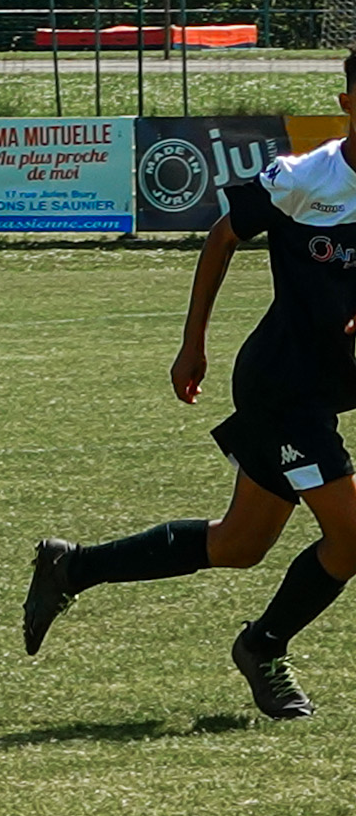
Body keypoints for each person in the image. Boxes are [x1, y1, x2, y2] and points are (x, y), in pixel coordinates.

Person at [24, 50, 356, 721]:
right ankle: (263, 646)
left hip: (319, 393)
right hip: (282, 390)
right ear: (348, 102)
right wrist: (192, 342)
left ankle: (71, 567)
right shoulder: (305, 177)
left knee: (239, 545)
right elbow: (222, 236)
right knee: (353, 537)